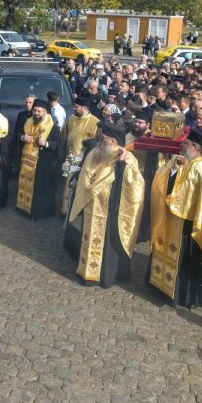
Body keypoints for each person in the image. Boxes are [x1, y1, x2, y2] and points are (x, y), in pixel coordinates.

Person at [148, 129, 202, 307]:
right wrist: (173, 171)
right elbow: (161, 179)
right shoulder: (178, 160)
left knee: (185, 261)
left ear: (196, 148)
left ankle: (183, 295)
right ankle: (160, 286)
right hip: (169, 218)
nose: (181, 145)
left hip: (190, 226)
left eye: (185, 143)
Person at [63, 123, 144, 288]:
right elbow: (86, 173)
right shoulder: (95, 151)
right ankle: (87, 273)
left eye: (104, 136)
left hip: (111, 209)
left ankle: (103, 276)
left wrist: (122, 165)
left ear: (113, 140)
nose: (100, 138)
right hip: (91, 204)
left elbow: (135, 185)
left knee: (107, 244)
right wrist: (89, 190)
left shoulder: (127, 157)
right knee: (88, 238)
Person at [15, 99, 62, 219]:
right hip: (27, 159)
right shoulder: (27, 122)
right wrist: (22, 137)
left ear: (45, 112)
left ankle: (40, 212)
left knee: (40, 189)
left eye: (39, 111)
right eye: (35, 110)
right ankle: (24, 209)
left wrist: (46, 143)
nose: (36, 113)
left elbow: (58, 144)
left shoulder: (53, 126)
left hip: (44, 162)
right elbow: (17, 134)